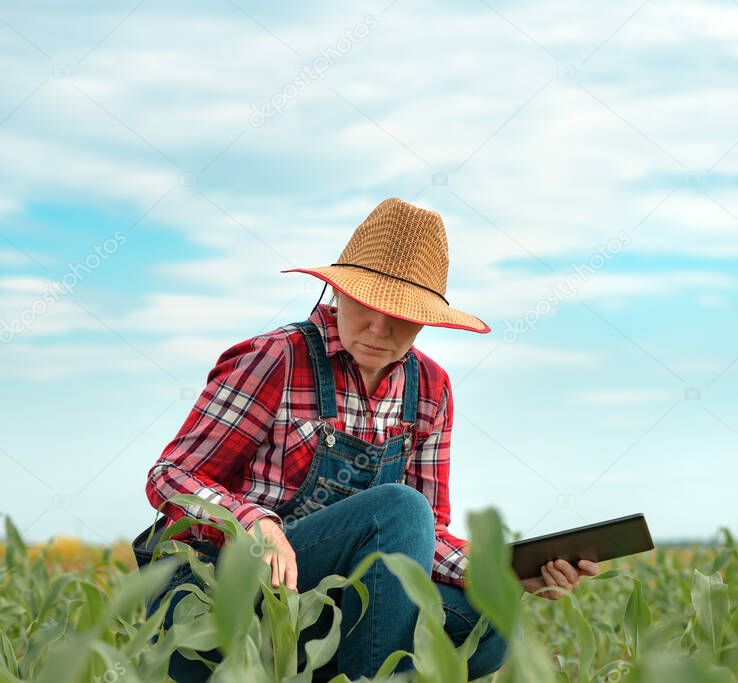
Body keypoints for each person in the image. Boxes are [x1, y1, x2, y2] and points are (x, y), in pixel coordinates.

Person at [140, 197, 600, 681]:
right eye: (366, 305)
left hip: (333, 605)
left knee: (492, 627)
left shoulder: (431, 389)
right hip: (228, 590)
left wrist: (502, 575)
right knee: (397, 507)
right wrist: (253, 523)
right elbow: (172, 474)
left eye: (401, 314)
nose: (380, 328)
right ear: (339, 293)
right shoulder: (278, 358)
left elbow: (422, 536)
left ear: (427, 319)